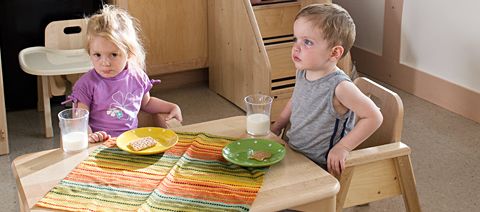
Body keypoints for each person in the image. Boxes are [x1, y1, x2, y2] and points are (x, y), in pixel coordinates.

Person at [270, 3, 383, 175]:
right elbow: (296, 100)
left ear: (334, 53)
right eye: (295, 39)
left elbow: (374, 116)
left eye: (307, 42)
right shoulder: (304, 71)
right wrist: (278, 125)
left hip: (318, 165)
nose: (296, 47)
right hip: (294, 152)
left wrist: (343, 148)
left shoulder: (340, 87)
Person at [66, 5, 183, 143]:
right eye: (97, 55)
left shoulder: (137, 77)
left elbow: (147, 103)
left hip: (129, 142)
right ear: (89, 52)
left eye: (113, 55)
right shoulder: (86, 84)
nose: (105, 63)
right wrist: (89, 135)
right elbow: (79, 119)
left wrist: (172, 107)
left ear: (129, 53)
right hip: (99, 145)